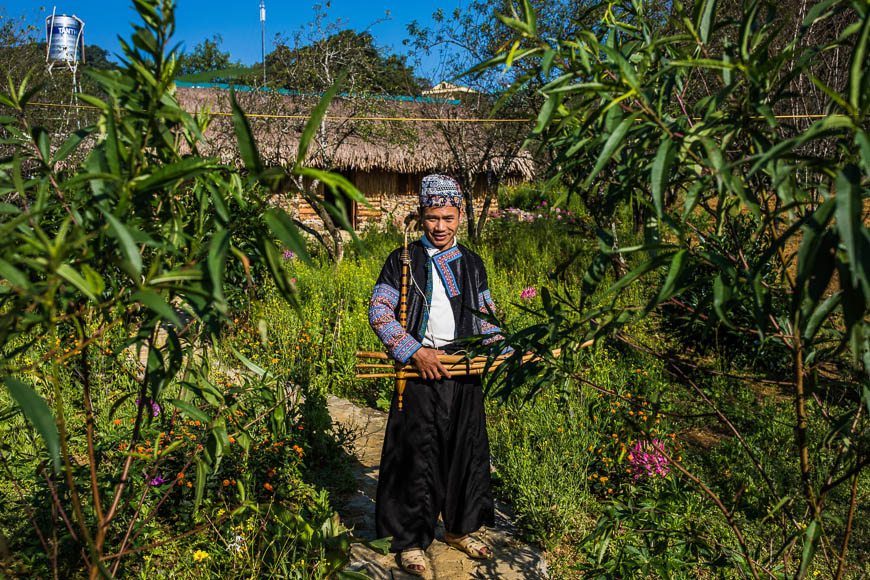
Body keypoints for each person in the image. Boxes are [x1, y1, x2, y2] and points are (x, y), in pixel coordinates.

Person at [367, 174, 509, 576]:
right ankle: (410, 540)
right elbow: (379, 310)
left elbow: (486, 316)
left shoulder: (472, 263)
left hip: (464, 367)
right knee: (415, 453)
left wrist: (506, 349)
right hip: (419, 368)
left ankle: (460, 530)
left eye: (448, 217)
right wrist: (413, 350)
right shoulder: (403, 259)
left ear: (460, 214)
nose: (440, 227)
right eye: (432, 218)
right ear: (421, 216)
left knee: (465, 449)